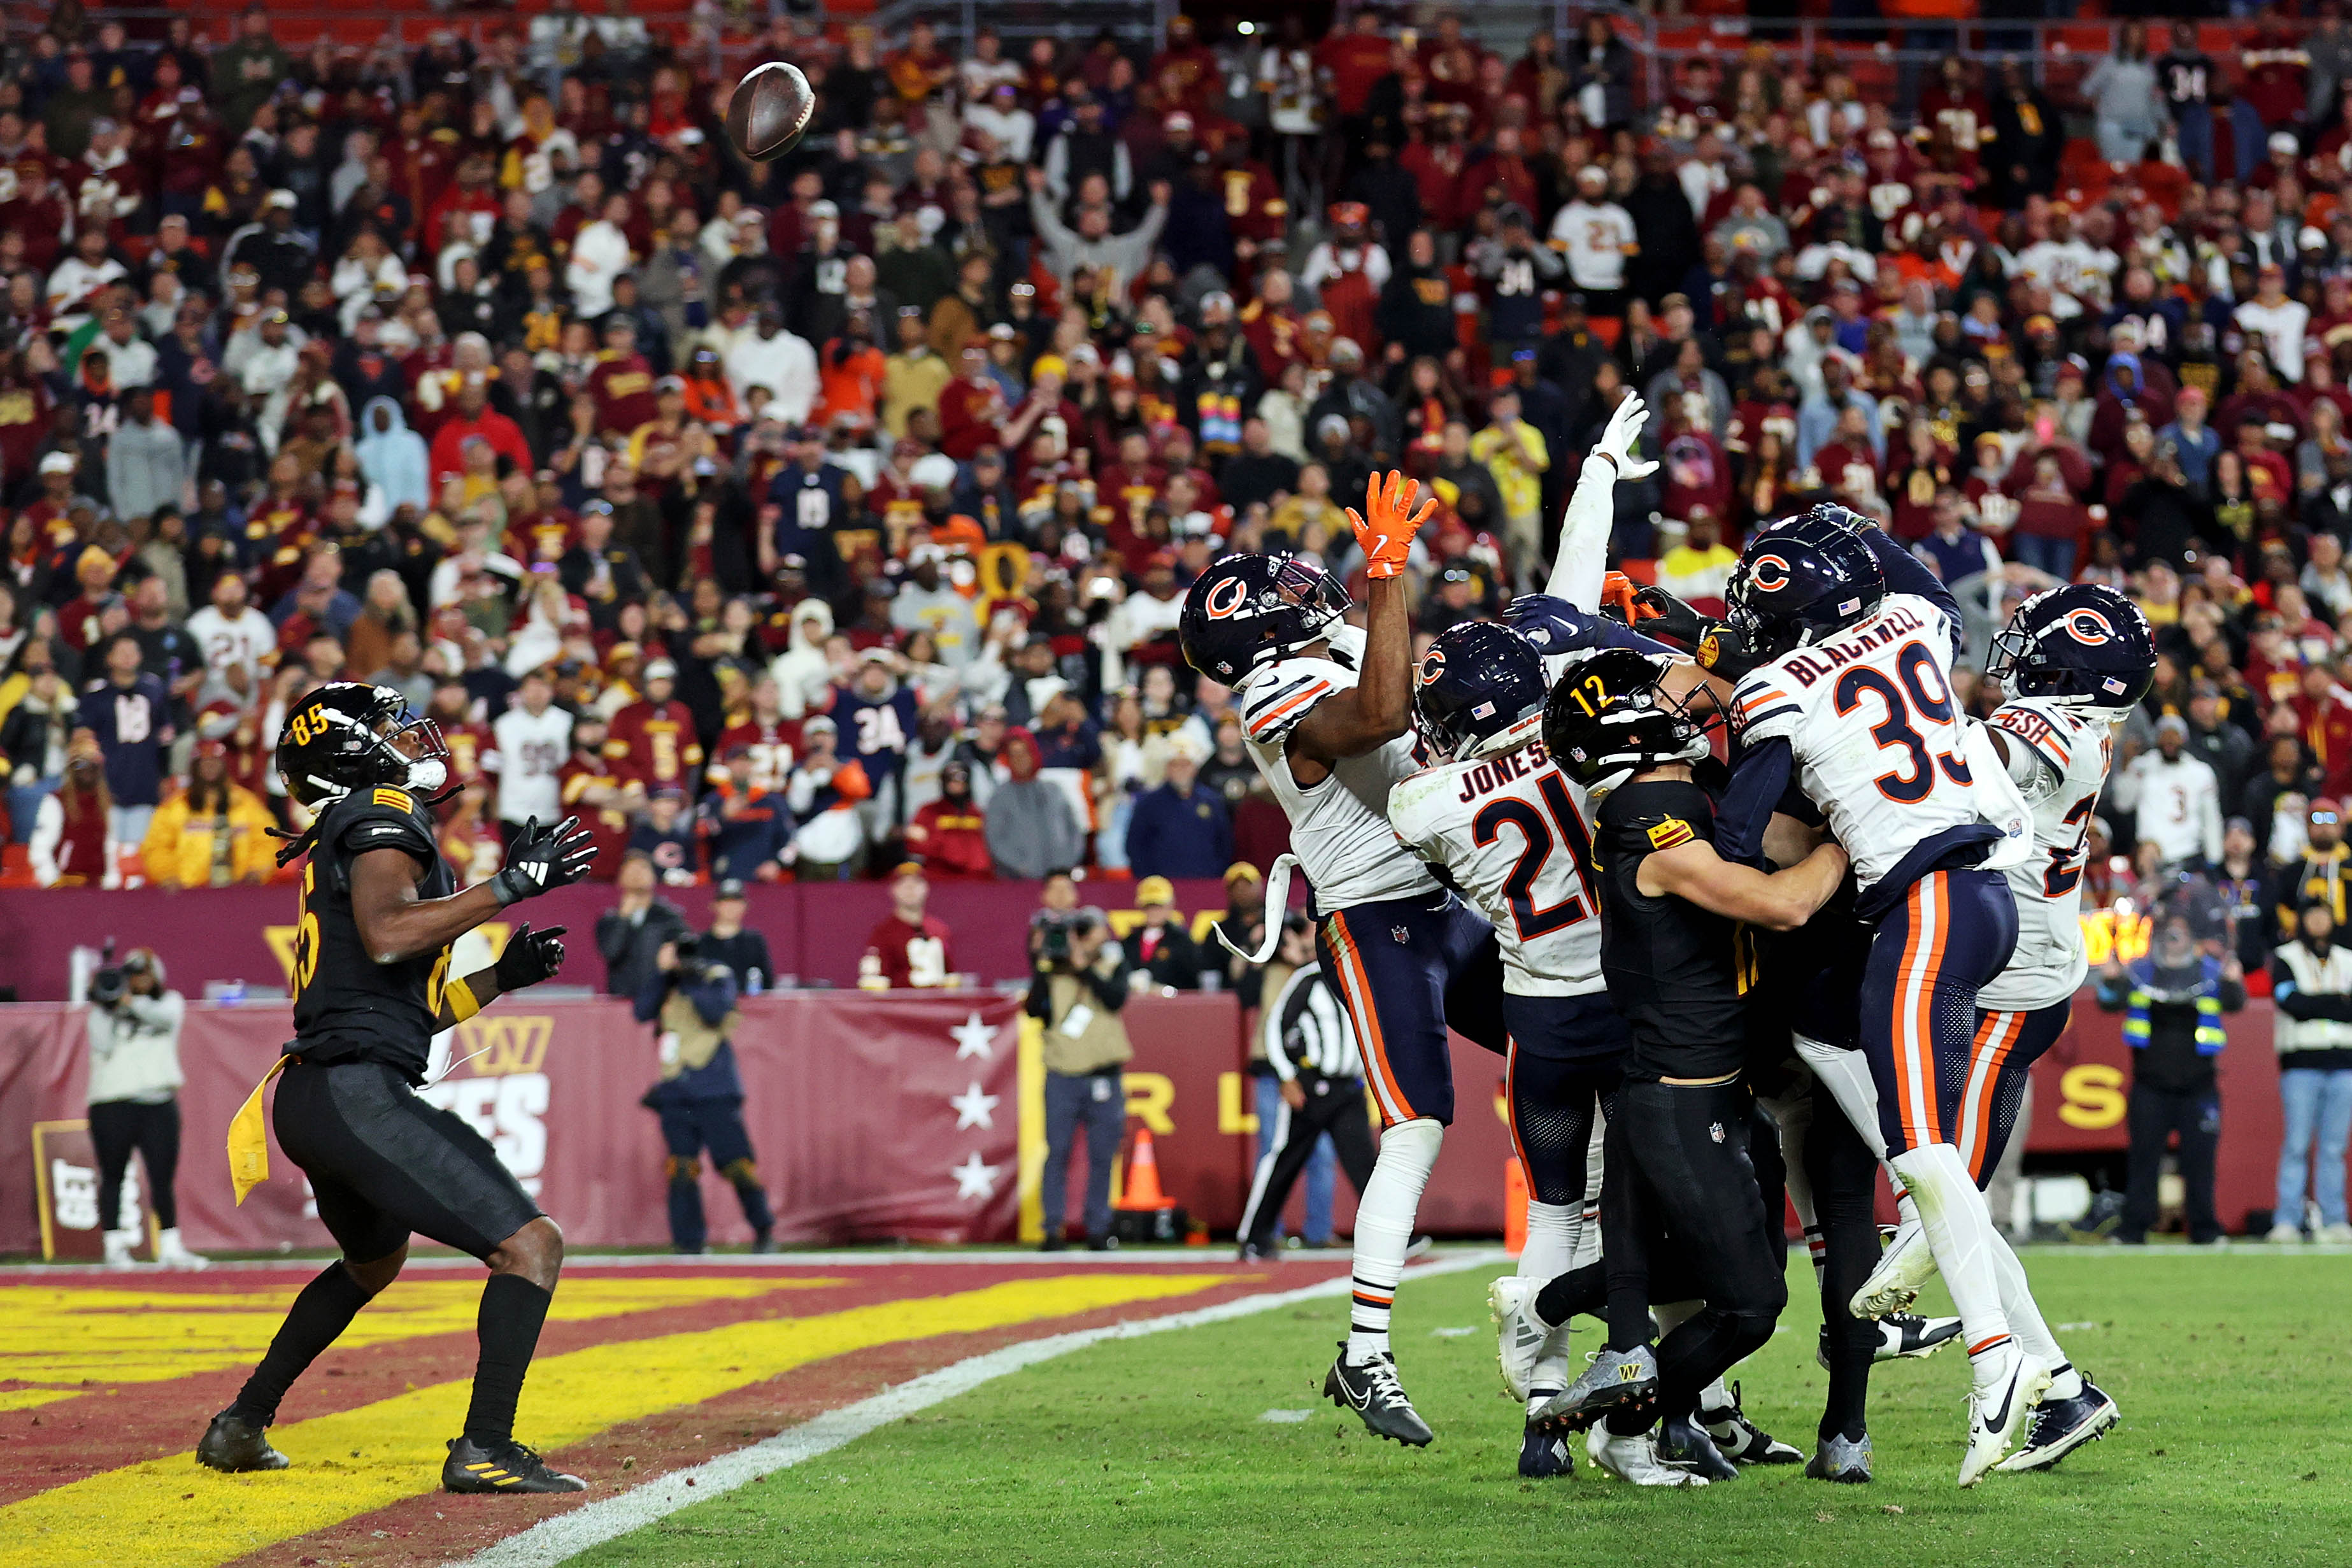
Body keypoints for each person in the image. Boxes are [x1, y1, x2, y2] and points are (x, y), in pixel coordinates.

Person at [1710, 505, 2047, 1486]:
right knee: (1908, 1132)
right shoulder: (1911, 624)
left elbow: (1735, 835)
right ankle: (1944, 1313)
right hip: (1988, 898)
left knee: (1919, 1151)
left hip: (1924, 908)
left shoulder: (1774, 685)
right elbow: (1931, 589)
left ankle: (2002, 1363)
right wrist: (1844, 522)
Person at [1180, 469, 1513, 1448]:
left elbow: (1416, 691)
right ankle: (1364, 1352)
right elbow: (1375, 716)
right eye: (1279, 594)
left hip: (1452, 898)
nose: (1300, 592)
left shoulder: (1326, 648)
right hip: (1377, 921)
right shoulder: (1275, 694)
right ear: (1253, 635)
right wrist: (1383, 573)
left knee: (1585, 1059)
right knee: (1414, 1127)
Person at [200, 683, 593, 1493]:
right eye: (385, 726)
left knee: (372, 1262)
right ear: (352, 750)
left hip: (317, 1092)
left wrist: (500, 976)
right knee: (531, 1244)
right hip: (349, 1091)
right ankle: (485, 1446)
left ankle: (243, 1420)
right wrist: (512, 886)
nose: (408, 736)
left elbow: (397, 1011)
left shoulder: (346, 828)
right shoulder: (379, 808)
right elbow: (387, 935)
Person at [1850, 583, 2154, 1474]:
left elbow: (1943, 761)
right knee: (1951, 1201)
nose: (2016, 654)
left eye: (2037, 642)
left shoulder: (2044, 728)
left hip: (2014, 985)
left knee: (1942, 1197)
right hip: (2011, 968)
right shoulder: (2073, 724)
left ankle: (1927, 1312)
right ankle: (2062, 1388)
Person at [1528, 645, 1847, 1487]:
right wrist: (1860, 831)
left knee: (1710, 1265)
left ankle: (1555, 1309)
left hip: (1685, 1083)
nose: (1682, 704)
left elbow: (1772, 842)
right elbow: (1787, 900)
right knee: (1750, 1304)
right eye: (1657, 697)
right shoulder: (1651, 821)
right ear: (1633, 731)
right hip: (1679, 1096)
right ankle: (1614, 1409)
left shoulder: (1668, 800)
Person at [2097, 911, 2245, 1246]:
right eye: (2170, 933)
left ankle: (2206, 1230)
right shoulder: (2140, 972)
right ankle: (2133, 1230)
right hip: (2150, 1084)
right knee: (2143, 1161)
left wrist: (2234, 981)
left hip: (2200, 1085)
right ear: (2158, 939)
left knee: (2200, 1163)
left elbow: (2235, 1003)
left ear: (2193, 938)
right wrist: (2110, 980)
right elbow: (2110, 1003)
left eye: (2181, 932)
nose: (2175, 939)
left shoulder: (2209, 972)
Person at [1236, 927, 1377, 1265]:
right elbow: (1275, 1027)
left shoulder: (1361, 978)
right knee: (1284, 1161)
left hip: (1349, 1088)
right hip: (1312, 1087)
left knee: (1368, 1166)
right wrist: (1288, 1076)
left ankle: (1395, 1234)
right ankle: (1254, 1236)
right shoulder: (1308, 979)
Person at [636, 932, 778, 1255]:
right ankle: (689, 1243)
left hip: (714, 1086)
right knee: (681, 1166)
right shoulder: (668, 981)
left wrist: (692, 980)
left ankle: (763, 1228)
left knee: (737, 1164)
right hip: (675, 1088)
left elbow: (715, 1012)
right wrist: (665, 975)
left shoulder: (717, 975)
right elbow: (642, 1011)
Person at [87, 947, 204, 1269]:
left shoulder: (170, 1002)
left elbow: (165, 1021)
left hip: (158, 1102)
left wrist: (129, 1003)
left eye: (145, 974)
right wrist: (108, 1006)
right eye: (133, 974)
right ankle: (113, 1246)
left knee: (162, 1178)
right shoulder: (102, 1010)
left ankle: (170, 1246)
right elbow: (102, 1044)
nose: (138, 981)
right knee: (112, 1176)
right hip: (112, 1103)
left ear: (156, 976)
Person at [1027, 904, 1132, 1251]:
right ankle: (1052, 1228)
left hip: (1104, 1074)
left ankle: (1098, 1227)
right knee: (1057, 1153)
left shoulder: (1112, 963)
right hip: (1063, 1075)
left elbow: (1115, 999)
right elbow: (1033, 1009)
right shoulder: (1052, 970)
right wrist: (1041, 962)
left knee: (1103, 1156)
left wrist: (1083, 967)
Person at [2269, 900, 2352, 1244]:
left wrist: (2314, 1003)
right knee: (2297, 1144)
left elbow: (2306, 1004)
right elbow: (2292, 1004)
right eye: (2313, 916)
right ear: (2302, 921)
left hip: (2344, 1064)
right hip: (2301, 1064)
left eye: (2325, 916)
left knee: (2334, 1148)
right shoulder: (2286, 957)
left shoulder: (2347, 957)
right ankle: (2287, 1219)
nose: (2319, 922)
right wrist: (2338, 1003)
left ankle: (2334, 1220)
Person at [141, 739, 276, 887]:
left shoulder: (246, 803)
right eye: (204, 762)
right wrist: (168, 876)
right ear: (195, 767)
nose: (210, 766)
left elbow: (266, 842)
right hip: (188, 892)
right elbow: (157, 847)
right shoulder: (175, 807)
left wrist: (256, 871)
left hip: (239, 891)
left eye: (215, 761)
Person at [2114, 716, 2223, 870]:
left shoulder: (2201, 772)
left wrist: (2215, 858)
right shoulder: (2142, 766)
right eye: (2165, 735)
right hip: (2150, 855)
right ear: (2157, 738)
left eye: (2175, 735)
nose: (2170, 741)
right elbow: (2123, 804)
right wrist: (2126, 766)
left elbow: (2211, 819)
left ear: (2184, 739)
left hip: (2189, 854)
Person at [1123, 732, 1232, 880]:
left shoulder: (1212, 801)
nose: (1181, 770)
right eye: (1175, 764)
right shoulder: (1149, 804)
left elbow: (1224, 844)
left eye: (1186, 764)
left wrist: (1216, 875)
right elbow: (1135, 847)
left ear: (1195, 768)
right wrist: (1149, 880)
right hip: (1164, 890)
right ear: (1167, 768)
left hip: (1206, 886)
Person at [487, 667, 573, 851]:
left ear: (552, 691)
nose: (537, 694)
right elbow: (491, 770)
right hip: (514, 810)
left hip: (555, 809)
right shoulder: (503, 725)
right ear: (521, 692)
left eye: (543, 688)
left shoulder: (567, 722)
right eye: (531, 688)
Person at [594, 850, 690, 998]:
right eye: (631, 869)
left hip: (659, 1000)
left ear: (654, 876)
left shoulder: (668, 917)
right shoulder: (609, 920)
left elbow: (688, 951)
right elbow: (611, 952)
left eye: (643, 868)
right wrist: (623, 919)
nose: (637, 874)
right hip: (621, 999)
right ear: (620, 877)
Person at [860, 861, 957, 988]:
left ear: (926, 888)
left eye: (916, 883)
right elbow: (875, 980)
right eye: (903, 884)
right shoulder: (884, 933)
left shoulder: (939, 929)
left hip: (938, 1004)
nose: (910, 889)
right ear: (893, 890)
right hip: (902, 1006)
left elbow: (949, 974)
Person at [1126, 876, 1204, 991]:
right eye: (1149, 906)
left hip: (1174, 1005)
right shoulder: (1130, 941)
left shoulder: (1182, 941)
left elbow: (1193, 978)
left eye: (1159, 906)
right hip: (1137, 1004)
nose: (1154, 911)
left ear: (1170, 905)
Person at [699, 879, 776, 994]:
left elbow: (767, 981)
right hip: (712, 1007)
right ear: (715, 905)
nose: (731, 907)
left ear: (745, 906)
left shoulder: (754, 941)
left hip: (750, 1007)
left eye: (736, 902)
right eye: (726, 901)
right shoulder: (702, 943)